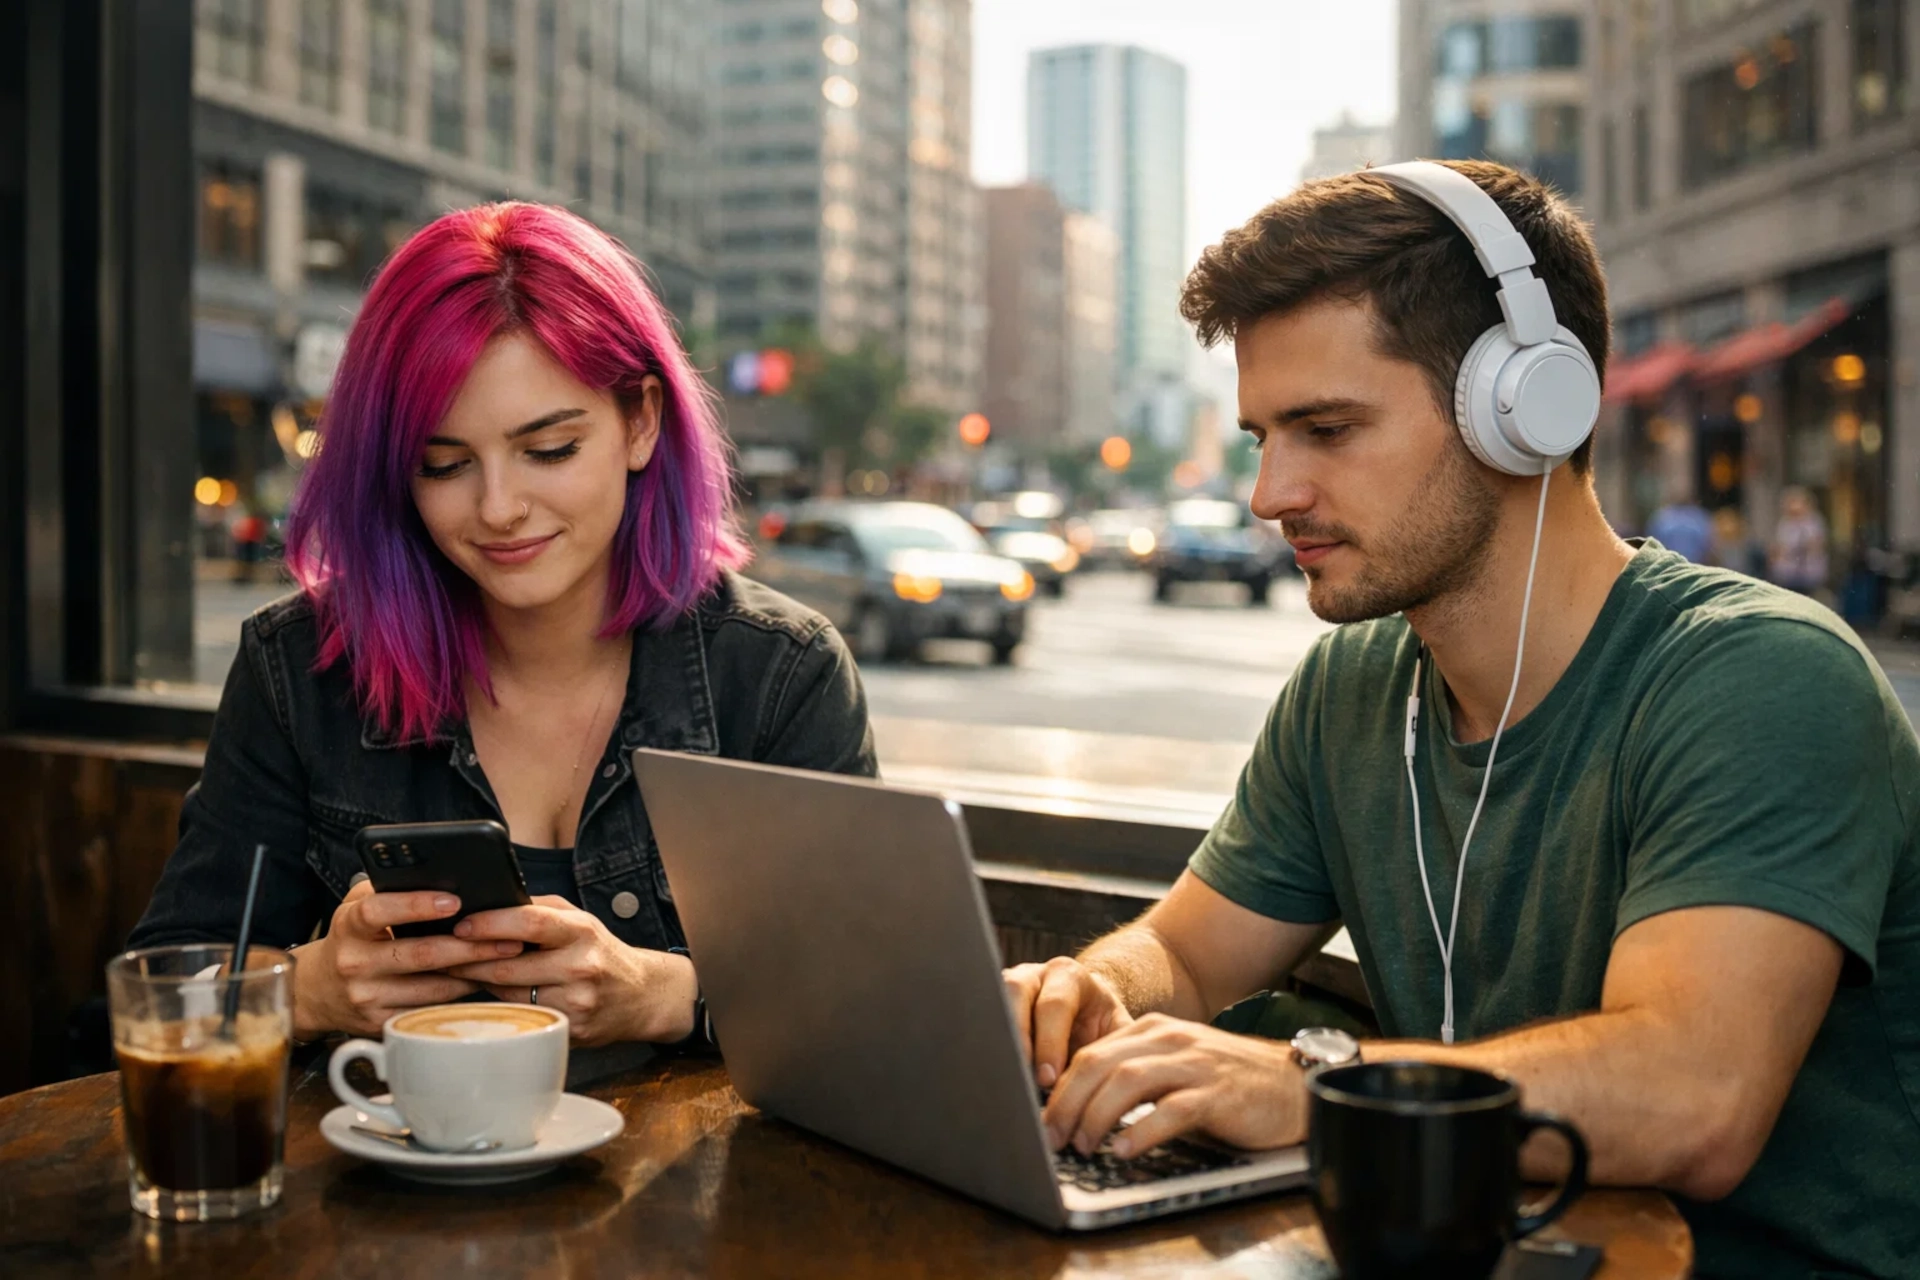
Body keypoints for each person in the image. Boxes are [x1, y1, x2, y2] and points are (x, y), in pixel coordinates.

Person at [1003, 161, 1918, 1278]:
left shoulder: (1761, 677)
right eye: (1260, 437)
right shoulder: (1351, 688)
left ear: (1526, 406)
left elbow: (1695, 1095)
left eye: (1326, 428)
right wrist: (1094, 990)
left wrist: (1309, 1087)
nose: (1269, 492)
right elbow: (1184, 951)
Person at [131, 203, 876, 1050]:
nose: (499, 509)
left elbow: (870, 1004)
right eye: (442, 464)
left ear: (640, 421)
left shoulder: (782, 673)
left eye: (549, 449)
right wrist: (305, 991)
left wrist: (668, 996)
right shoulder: (298, 668)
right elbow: (161, 996)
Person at [1768, 486, 1830, 595]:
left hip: (1809, 573)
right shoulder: (1784, 523)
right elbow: (1779, 547)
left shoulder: (1814, 522)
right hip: (1787, 573)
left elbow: (1816, 545)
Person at [1644, 494, 1713, 564]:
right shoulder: (1659, 518)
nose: (1680, 489)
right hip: (1668, 568)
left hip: (1697, 567)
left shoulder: (1701, 517)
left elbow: (1710, 550)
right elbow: (1651, 549)